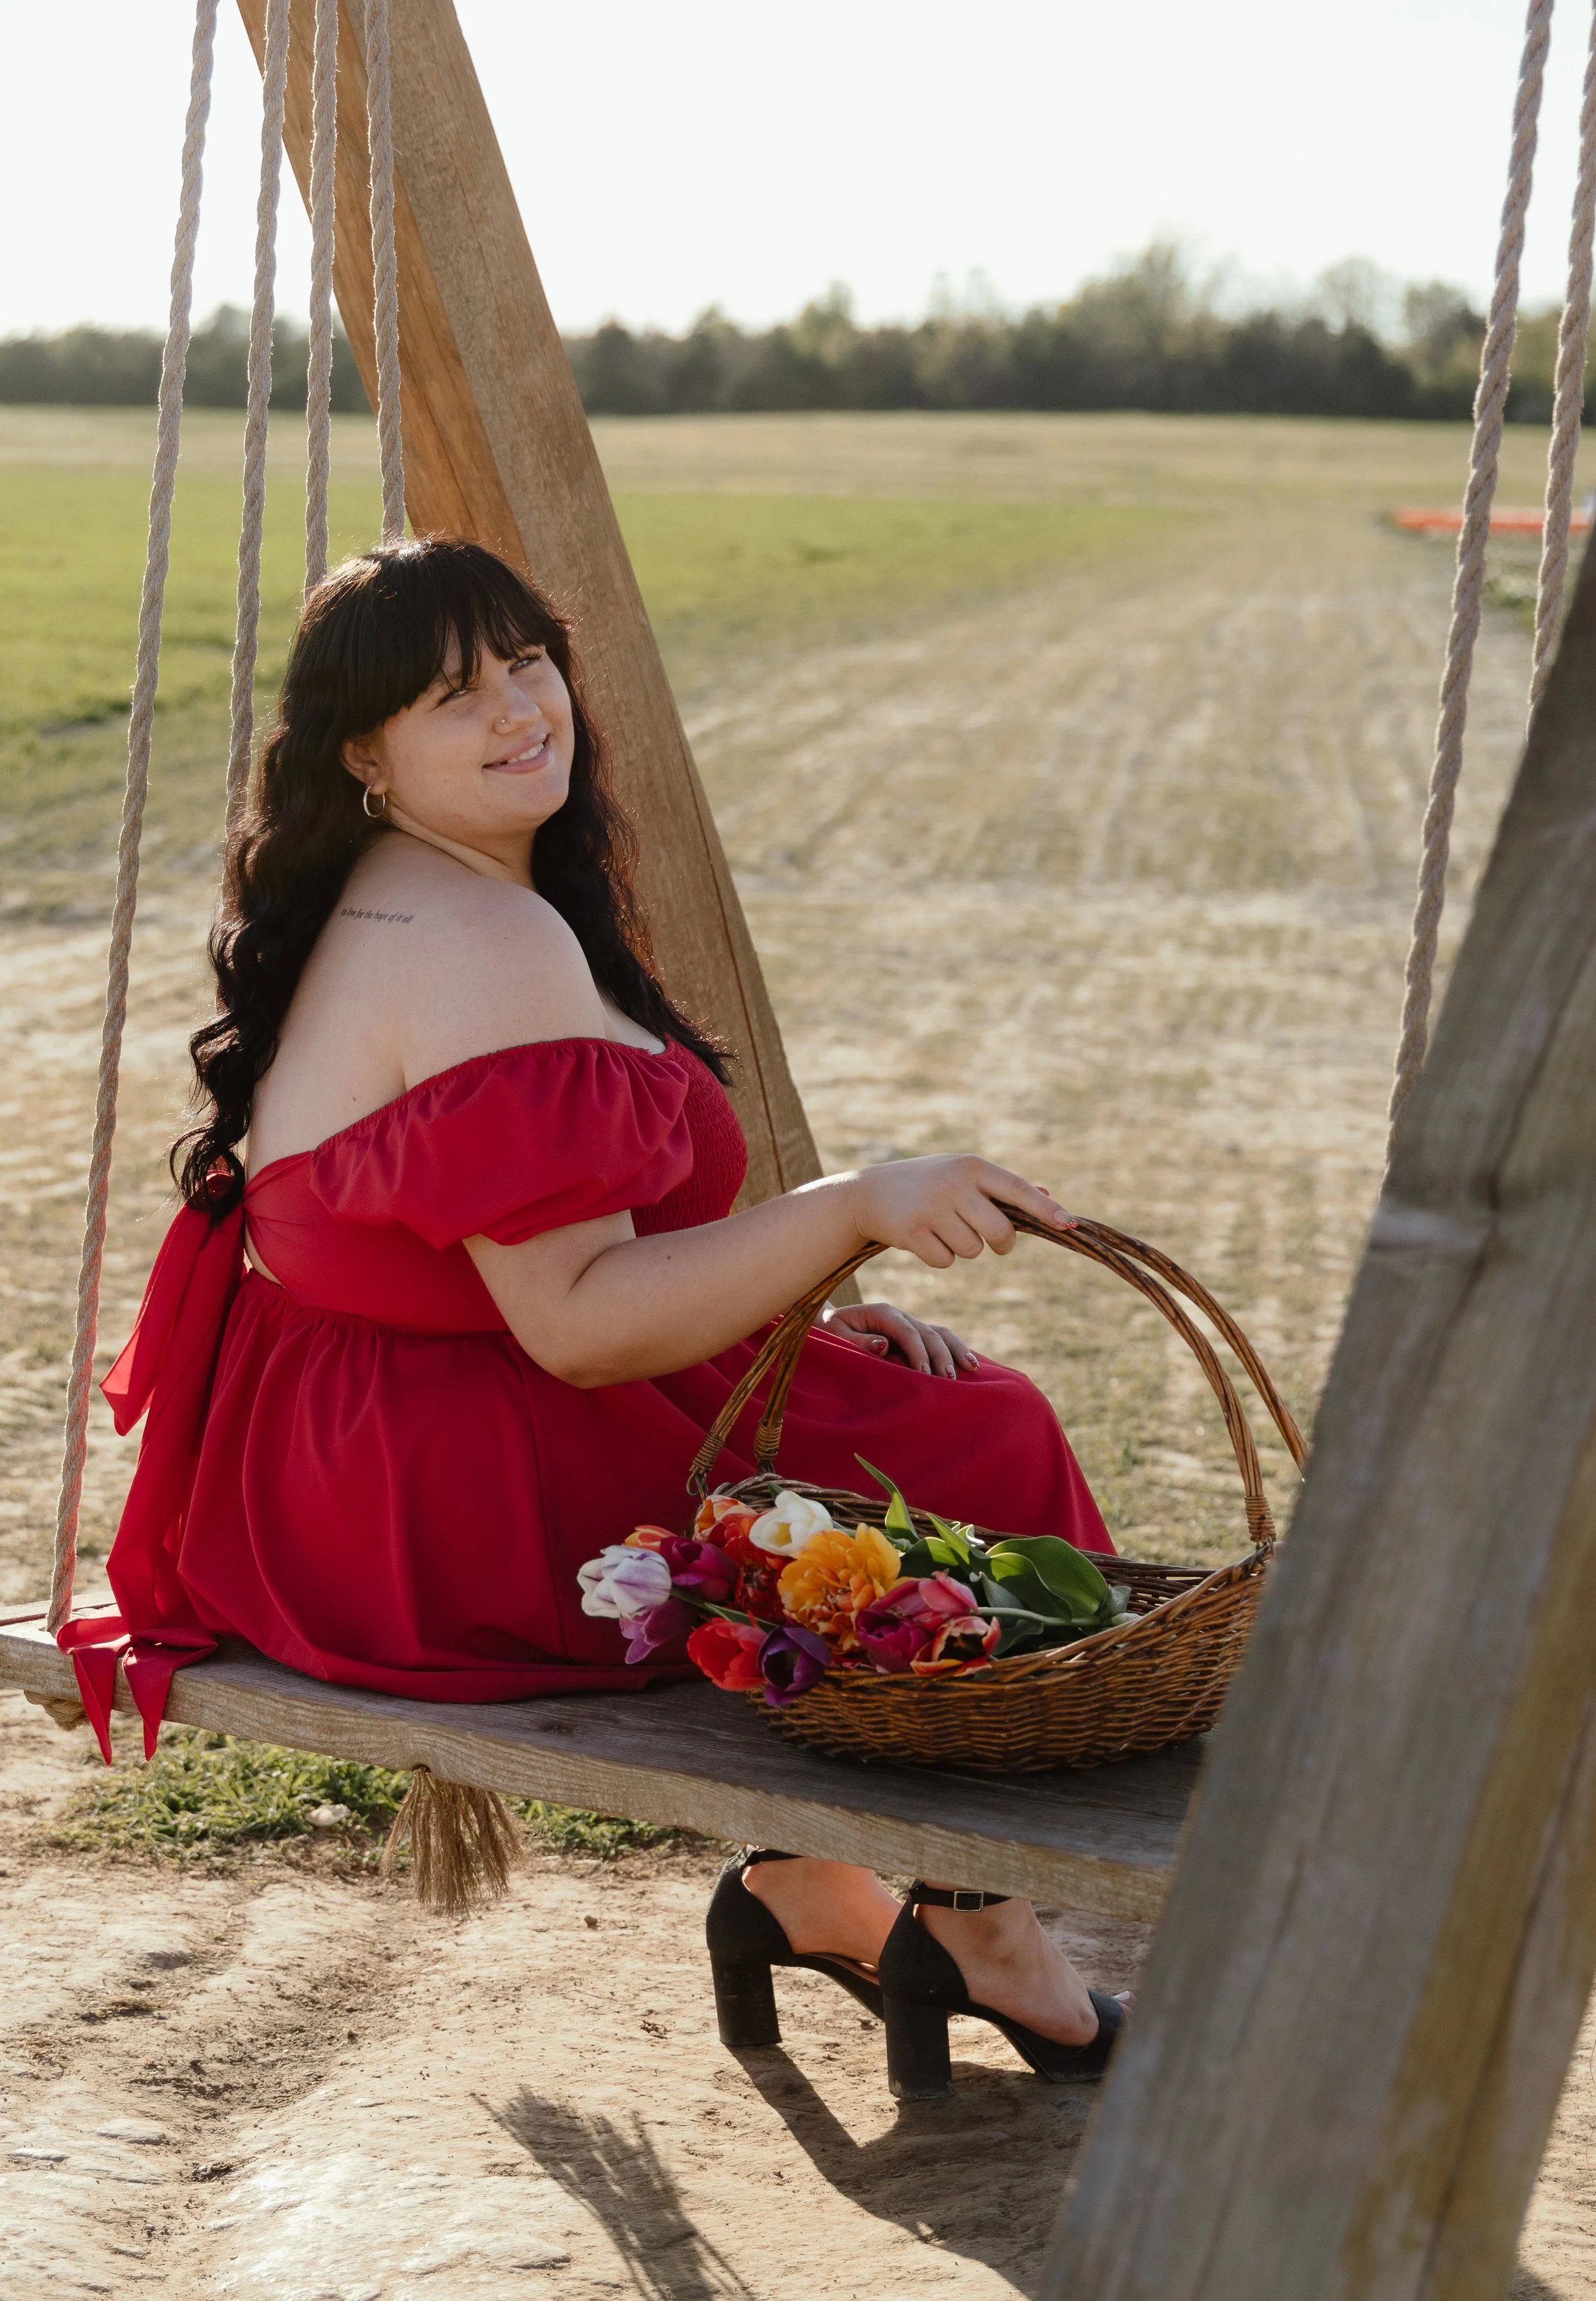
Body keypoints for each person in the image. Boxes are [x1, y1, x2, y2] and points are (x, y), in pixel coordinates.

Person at [77, 539, 1127, 2090]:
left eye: (526, 662)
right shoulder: (490, 940)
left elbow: (563, 1268)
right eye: (455, 694)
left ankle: (799, 1881)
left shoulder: (400, 889)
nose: (519, 710)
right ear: (367, 753)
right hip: (433, 1503)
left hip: (328, 1462)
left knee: (873, 1416)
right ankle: (980, 1923)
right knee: (979, 1441)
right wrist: (846, 1205)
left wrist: (802, 1308)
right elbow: (573, 1324)